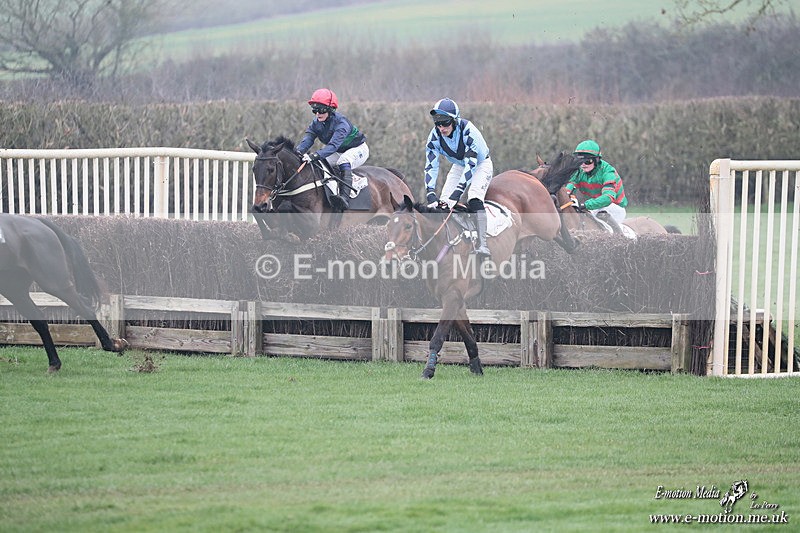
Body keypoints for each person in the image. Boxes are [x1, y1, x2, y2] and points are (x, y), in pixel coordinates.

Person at [424, 97, 493, 257]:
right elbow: (431, 165)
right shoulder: (434, 136)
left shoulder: (469, 131)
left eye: (445, 122)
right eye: (437, 123)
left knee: (474, 198)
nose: (441, 127)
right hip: (460, 165)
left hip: (480, 164)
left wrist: (458, 192)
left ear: (455, 120)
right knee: (443, 204)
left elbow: (471, 166)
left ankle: (483, 245)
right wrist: (430, 191)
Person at [295, 88, 368, 211]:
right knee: (319, 163)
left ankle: (344, 199)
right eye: (315, 110)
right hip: (338, 151)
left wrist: (314, 155)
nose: (318, 113)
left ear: (330, 109)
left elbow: (332, 146)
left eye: (321, 110)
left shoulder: (341, 123)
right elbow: (308, 139)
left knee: (343, 160)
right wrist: (298, 152)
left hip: (358, 149)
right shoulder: (316, 123)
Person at [566, 139, 628, 233]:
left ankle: (621, 238)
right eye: (580, 161)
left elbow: (608, 198)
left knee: (602, 215)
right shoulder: (579, 171)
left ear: (597, 160)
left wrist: (584, 205)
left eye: (587, 161)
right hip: (596, 206)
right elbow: (568, 189)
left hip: (614, 207)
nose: (583, 164)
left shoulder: (608, 172)